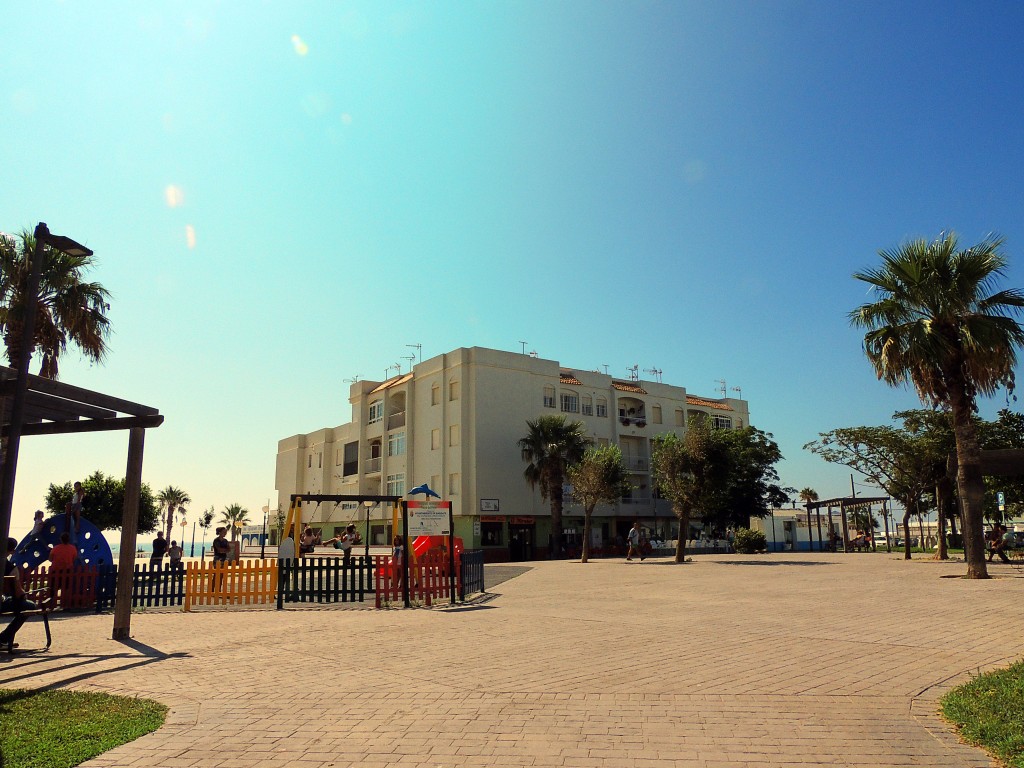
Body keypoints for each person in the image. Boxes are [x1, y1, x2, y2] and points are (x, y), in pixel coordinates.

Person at [0, 537, 39, 652]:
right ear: (12, 551)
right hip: (2, 604)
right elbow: (18, 593)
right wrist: (24, 595)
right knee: (30, 606)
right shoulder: (11, 569)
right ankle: (3, 638)